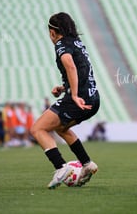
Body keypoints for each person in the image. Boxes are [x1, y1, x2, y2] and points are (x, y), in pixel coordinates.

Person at [30, 12, 100, 189]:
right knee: (62, 128)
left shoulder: (61, 44)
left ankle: (61, 167)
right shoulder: (77, 43)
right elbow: (81, 70)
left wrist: (74, 95)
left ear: (53, 32)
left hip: (80, 99)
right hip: (93, 99)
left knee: (38, 129)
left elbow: (70, 65)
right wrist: (64, 88)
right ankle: (87, 164)